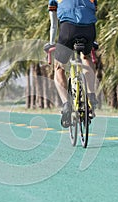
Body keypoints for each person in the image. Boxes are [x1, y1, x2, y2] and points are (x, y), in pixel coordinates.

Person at [45, 0, 98, 128]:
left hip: (68, 29)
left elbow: (54, 25)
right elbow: (90, 14)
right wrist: (93, 41)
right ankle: (91, 95)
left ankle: (66, 105)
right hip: (89, 31)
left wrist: (52, 43)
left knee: (59, 68)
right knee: (86, 58)